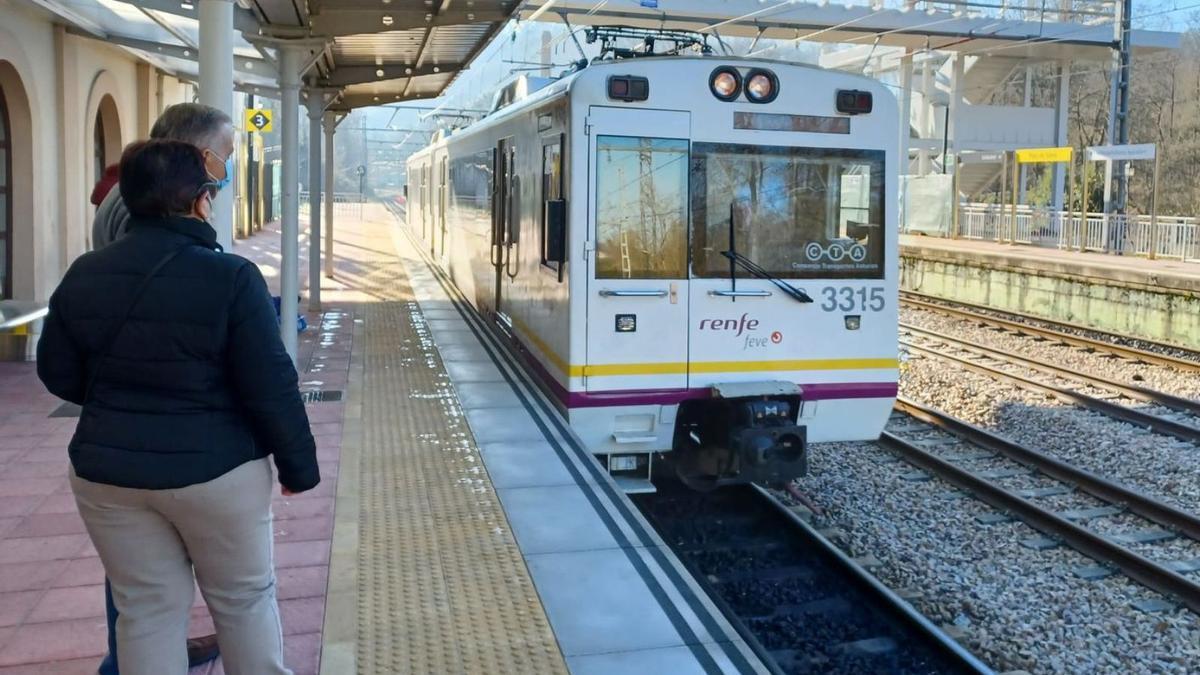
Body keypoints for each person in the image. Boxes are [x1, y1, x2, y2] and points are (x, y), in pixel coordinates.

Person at [38, 139, 319, 675]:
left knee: (144, 610)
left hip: (108, 475)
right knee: (243, 601)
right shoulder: (232, 278)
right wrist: (297, 467)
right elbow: (271, 385)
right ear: (198, 201)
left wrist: (122, 404)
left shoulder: (84, 272)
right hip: (216, 474)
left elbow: (57, 373)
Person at [87, 102, 237, 674]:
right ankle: (128, 660)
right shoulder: (142, 213)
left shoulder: (127, 198)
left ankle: (151, 649)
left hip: (130, 409)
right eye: (223, 155)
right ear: (198, 156)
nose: (224, 170)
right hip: (154, 411)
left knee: (140, 560)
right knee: (146, 565)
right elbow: (160, 309)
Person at [92, 103, 235, 249]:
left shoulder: (138, 189)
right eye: (227, 156)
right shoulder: (148, 201)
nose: (228, 165)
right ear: (206, 158)